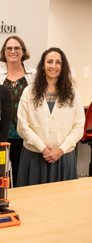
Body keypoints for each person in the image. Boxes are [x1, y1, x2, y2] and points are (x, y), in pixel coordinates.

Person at [17, 48, 84, 186]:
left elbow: (78, 127)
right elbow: (23, 126)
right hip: (34, 157)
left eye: (58, 62)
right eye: (49, 62)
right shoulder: (29, 92)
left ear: (63, 66)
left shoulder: (73, 93)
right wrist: (43, 148)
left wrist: (61, 150)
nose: (53, 66)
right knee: (32, 201)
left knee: (62, 201)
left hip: (63, 157)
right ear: (42, 66)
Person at [0, 36, 36, 187]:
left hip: (24, 136)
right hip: (1, 136)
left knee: (21, 175)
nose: (13, 51)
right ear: (4, 52)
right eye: (9, 48)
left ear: (23, 51)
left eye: (17, 48)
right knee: (0, 175)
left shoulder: (34, 75)